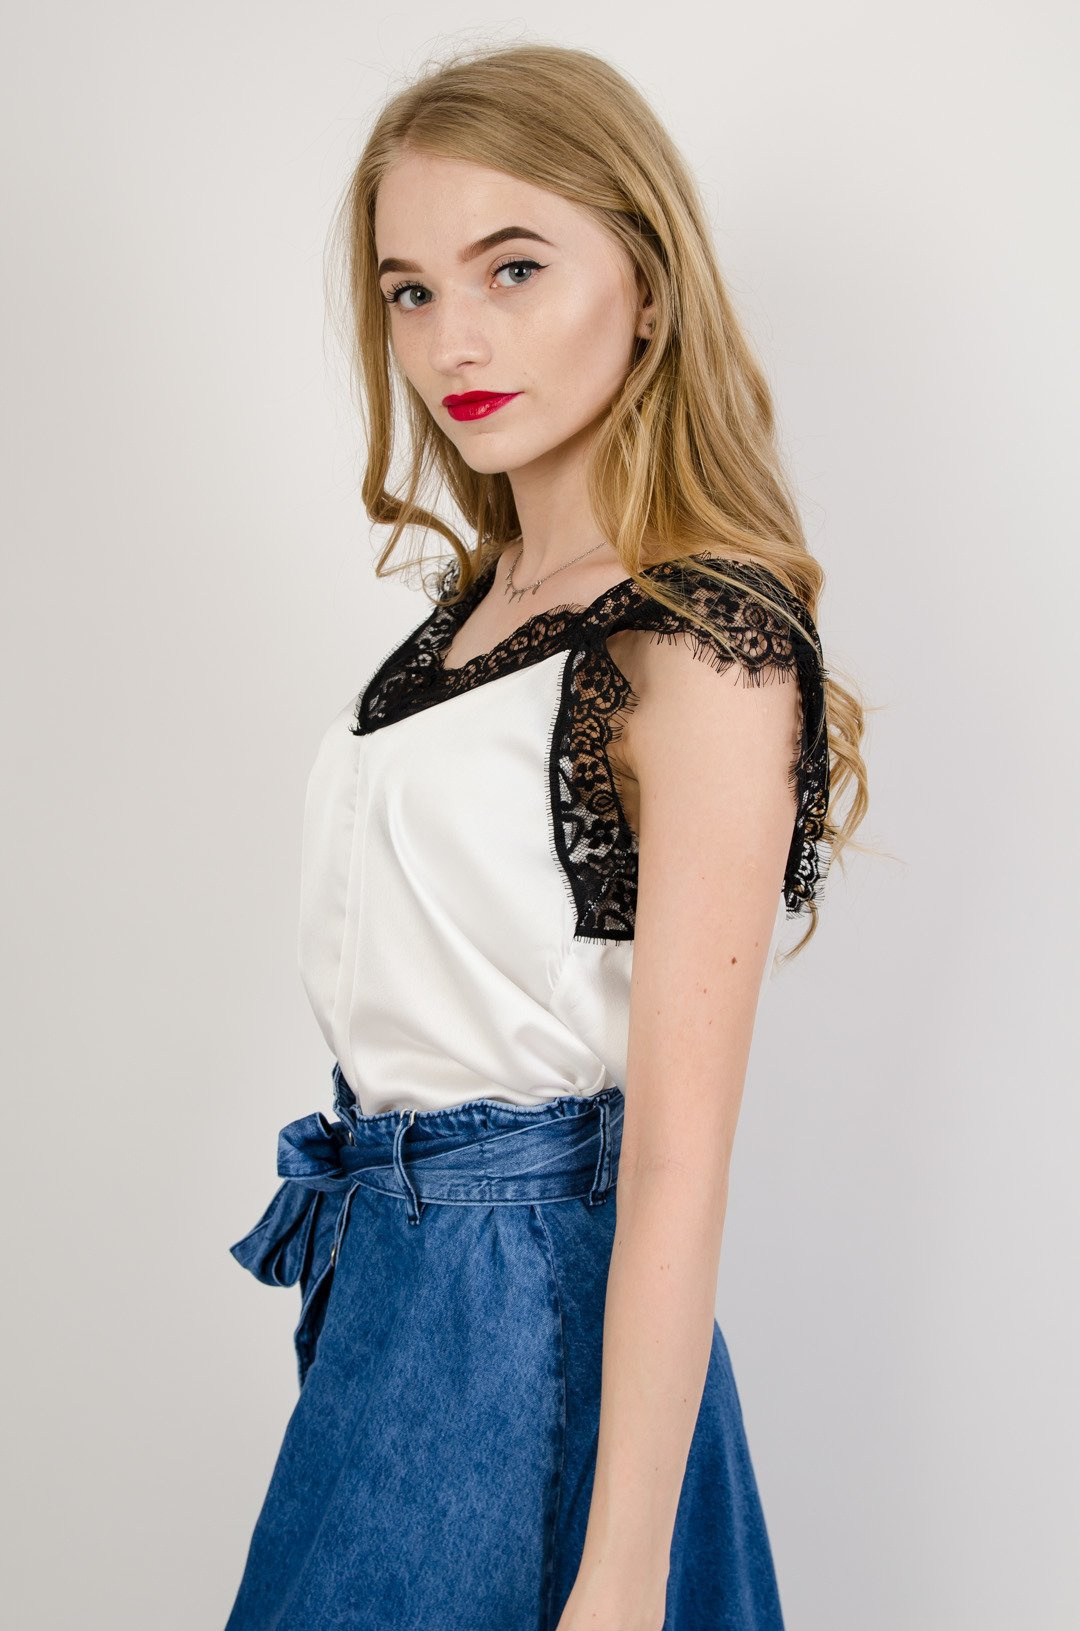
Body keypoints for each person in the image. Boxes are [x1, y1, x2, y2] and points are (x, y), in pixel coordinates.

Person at [223, 39, 868, 1631]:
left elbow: (676, 1159)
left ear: (646, 286)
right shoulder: (466, 620)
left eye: (513, 268)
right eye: (412, 290)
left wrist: (625, 1574)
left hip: (534, 1309)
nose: (455, 338)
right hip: (391, 1290)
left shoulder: (698, 642)